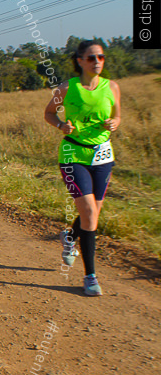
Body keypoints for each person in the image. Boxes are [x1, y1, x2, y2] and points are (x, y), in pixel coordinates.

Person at [44, 40, 120, 297]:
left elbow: (118, 115)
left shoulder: (113, 88)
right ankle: (90, 276)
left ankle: (70, 236)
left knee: (93, 213)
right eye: (90, 58)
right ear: (79, 61)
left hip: (102, 155)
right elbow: (49, 113)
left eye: (100, 57)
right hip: (73, 154)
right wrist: (61, 126)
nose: (96, 62)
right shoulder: (66, 88)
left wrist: (114, 123)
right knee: (88, 210)